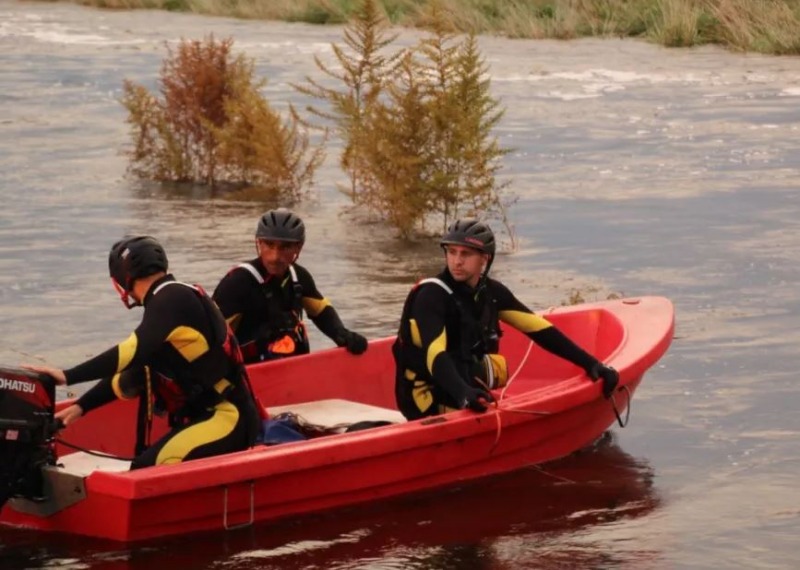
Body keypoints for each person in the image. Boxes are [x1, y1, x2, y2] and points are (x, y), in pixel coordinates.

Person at [24, 236, 261, 470]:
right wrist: (81, 407)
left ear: (123, 280)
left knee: (145, 469)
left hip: (229, 418)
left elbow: (130, 352)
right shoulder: (170, 300)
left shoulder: (171, 299)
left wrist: (67, 376)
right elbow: (135, 373)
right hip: (214, 416)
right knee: (143, 464)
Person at [392, 219, 619, 420]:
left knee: (494, 369)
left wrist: (592, 364)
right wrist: (463, 394)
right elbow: (435, 353)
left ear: (484, 259)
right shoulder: (432, 295)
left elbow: (538, 329)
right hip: (425, 397)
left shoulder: (491, 293)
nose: (457, 261)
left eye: (466, 254)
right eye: (452, 252)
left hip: (460, 387)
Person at [212, 208, 368, 364]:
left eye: (285, 247)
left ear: (298, 247)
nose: (275, 257)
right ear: (258, 243)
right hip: (246, 373)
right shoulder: (237, 283)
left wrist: (342, 335)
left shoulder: (298, 277)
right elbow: (210, 335)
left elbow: (321, 310)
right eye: (269, 245)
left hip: (289, 369)